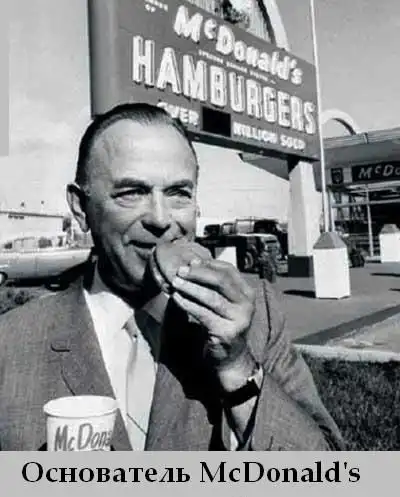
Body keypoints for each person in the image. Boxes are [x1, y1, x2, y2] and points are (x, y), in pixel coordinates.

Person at [0, 103, 343, 451]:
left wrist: (237, 365)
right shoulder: (11, 343)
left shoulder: (256, 317)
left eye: (178, 193)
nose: (161, 220)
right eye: (132, 193)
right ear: (80, 208)